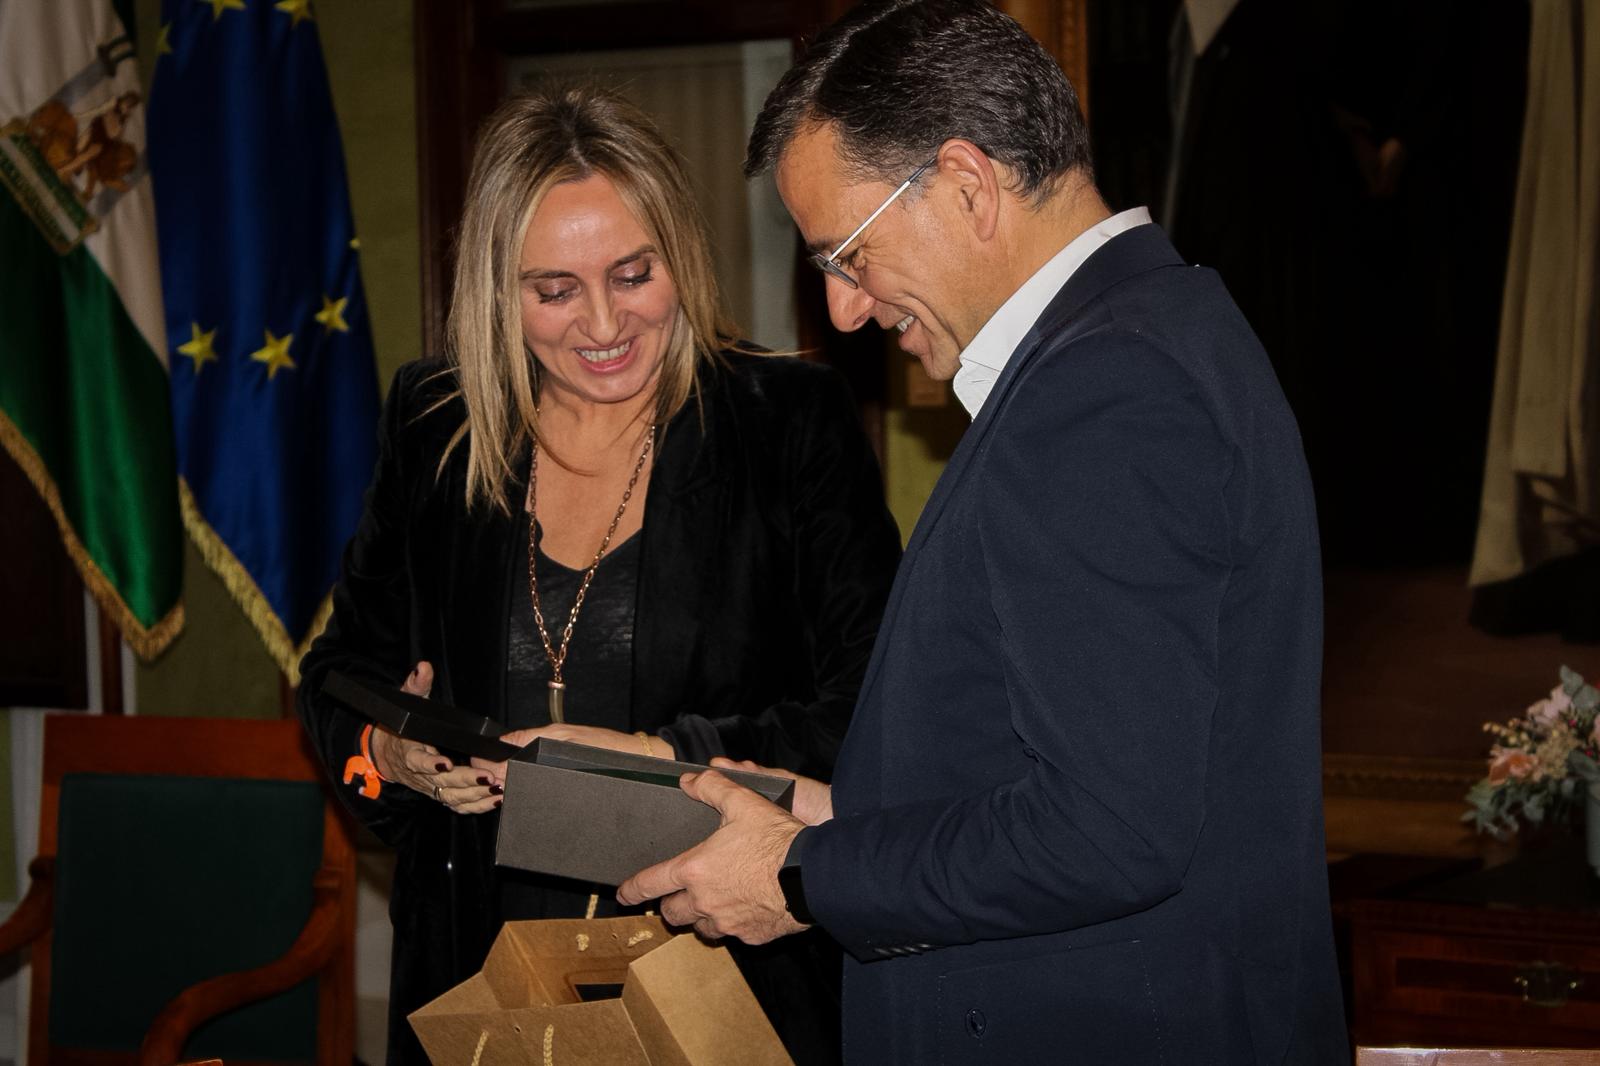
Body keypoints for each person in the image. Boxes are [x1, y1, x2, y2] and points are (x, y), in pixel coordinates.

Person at [617, 2, 1350, 1062]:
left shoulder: (1103, 392)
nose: (844, 310)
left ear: (966, 184)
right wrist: (832, 819)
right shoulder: (1159, 329)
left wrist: (801, 876)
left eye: (846, 255)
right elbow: (1083, 761)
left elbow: (1108, 830)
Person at [295, 85, 901, 1066]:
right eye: (555, 290)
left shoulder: (787, 423)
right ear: (500, 290)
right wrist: (391, 751)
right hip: (475, 975)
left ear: (679, 256)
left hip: (723, 980)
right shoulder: (436, 424)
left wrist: (650, 761)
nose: (604, 322)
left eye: (632, 273)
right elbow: (337, 674)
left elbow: (875, 711)